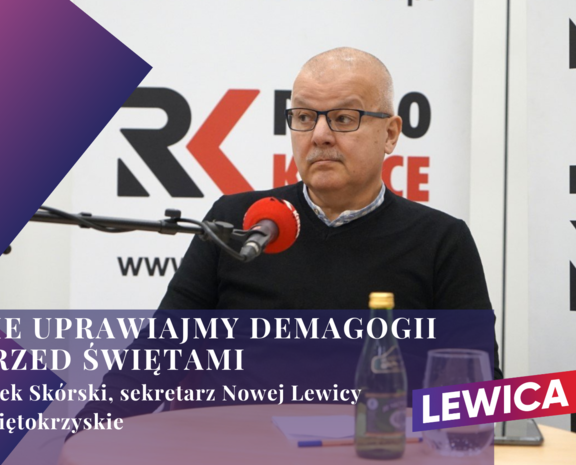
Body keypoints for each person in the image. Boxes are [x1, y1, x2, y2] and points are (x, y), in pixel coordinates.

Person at [71, 47, 501, 432]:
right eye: (304, 117)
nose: (319, 135)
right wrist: (79, 440)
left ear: (390, 133)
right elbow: (153, 361)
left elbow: (477, 389)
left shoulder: (440, 240)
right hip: (234, 449)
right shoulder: (238, 222)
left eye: (344, 118)